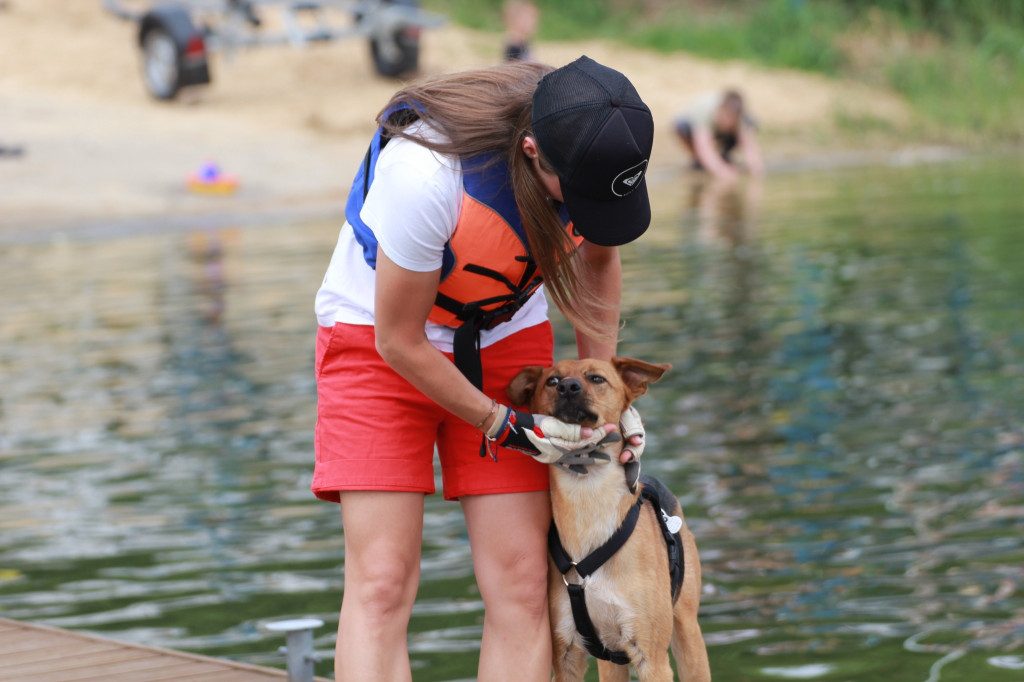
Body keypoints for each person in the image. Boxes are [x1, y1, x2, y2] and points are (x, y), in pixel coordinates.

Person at [313, 56, 655, 681]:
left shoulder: (592, 133)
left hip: (505, 333)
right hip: (378, 338)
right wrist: (502, 424)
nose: (586, 212)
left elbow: (598, 259)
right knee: (383, 580)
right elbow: (399, 340)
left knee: (523, 581)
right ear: (532, 152)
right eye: (577, 197)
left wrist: (612, 404)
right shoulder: (426, 174)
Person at [674, 89, 764, 181]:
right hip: (694, 127)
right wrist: (722, 171)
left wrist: (756, 170)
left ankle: (722, 156)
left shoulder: (742, 117)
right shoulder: (704, 111)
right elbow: (703, 147)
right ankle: (699, 159)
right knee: (683, 127)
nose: (728, 123)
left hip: (725, 133)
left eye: (732, 120)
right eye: (726, 117)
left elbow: (749, 147)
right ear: (721, 110)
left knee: (749, 124)